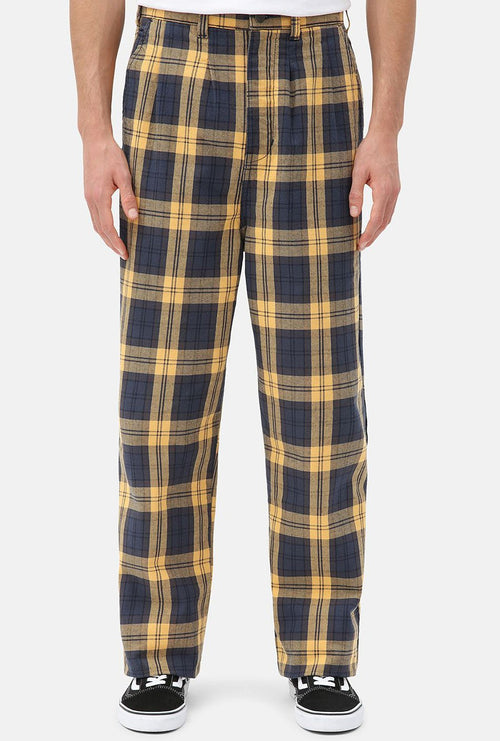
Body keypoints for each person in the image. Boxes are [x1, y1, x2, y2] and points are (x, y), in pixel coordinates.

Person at [70, 0, 414, 732]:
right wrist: (94, 131)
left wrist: (385, 127)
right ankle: (155, 648)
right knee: (162, 392)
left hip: (314, 70)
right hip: (174, 68)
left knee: (319, 395)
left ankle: (322, 649)